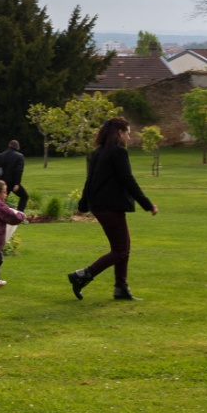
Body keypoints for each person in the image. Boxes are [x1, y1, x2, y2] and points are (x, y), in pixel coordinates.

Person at [68, 118, 157, 301]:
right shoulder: (118, 152)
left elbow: (89, 181)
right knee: (120, 250)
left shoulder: (98, 153)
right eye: (128, 133)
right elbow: (128, 180)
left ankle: (120, 288)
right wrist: (148, 204)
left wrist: (83, 206)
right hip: (110, 207)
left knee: (124, 247)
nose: (129, 137)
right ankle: (82, 275)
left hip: (101, 207)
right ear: (119, 133)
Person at [0, 139, 29, 213]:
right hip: (12, 183)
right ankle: (19, 215)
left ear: (9, 145)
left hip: (2, 183)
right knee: (24, 197)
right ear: (18, 147)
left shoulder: (0, 155)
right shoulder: (19, 157)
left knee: (0, 200)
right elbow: (18, 171)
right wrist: (17, 183)